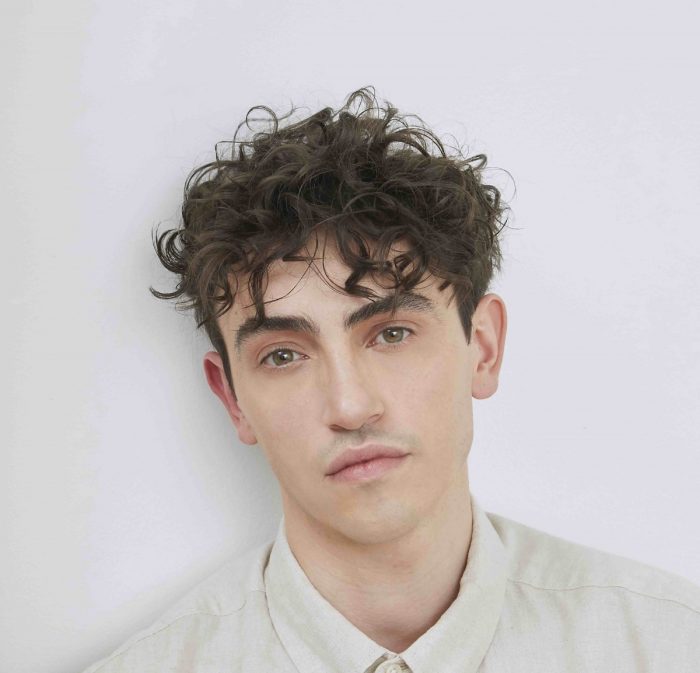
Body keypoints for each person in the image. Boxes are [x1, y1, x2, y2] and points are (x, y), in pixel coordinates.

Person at [83, 86, 700, 673]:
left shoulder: (670, 647)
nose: (350, 407)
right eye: (283, 355)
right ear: (232, 399)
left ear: (483, 348)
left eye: (392, 334)